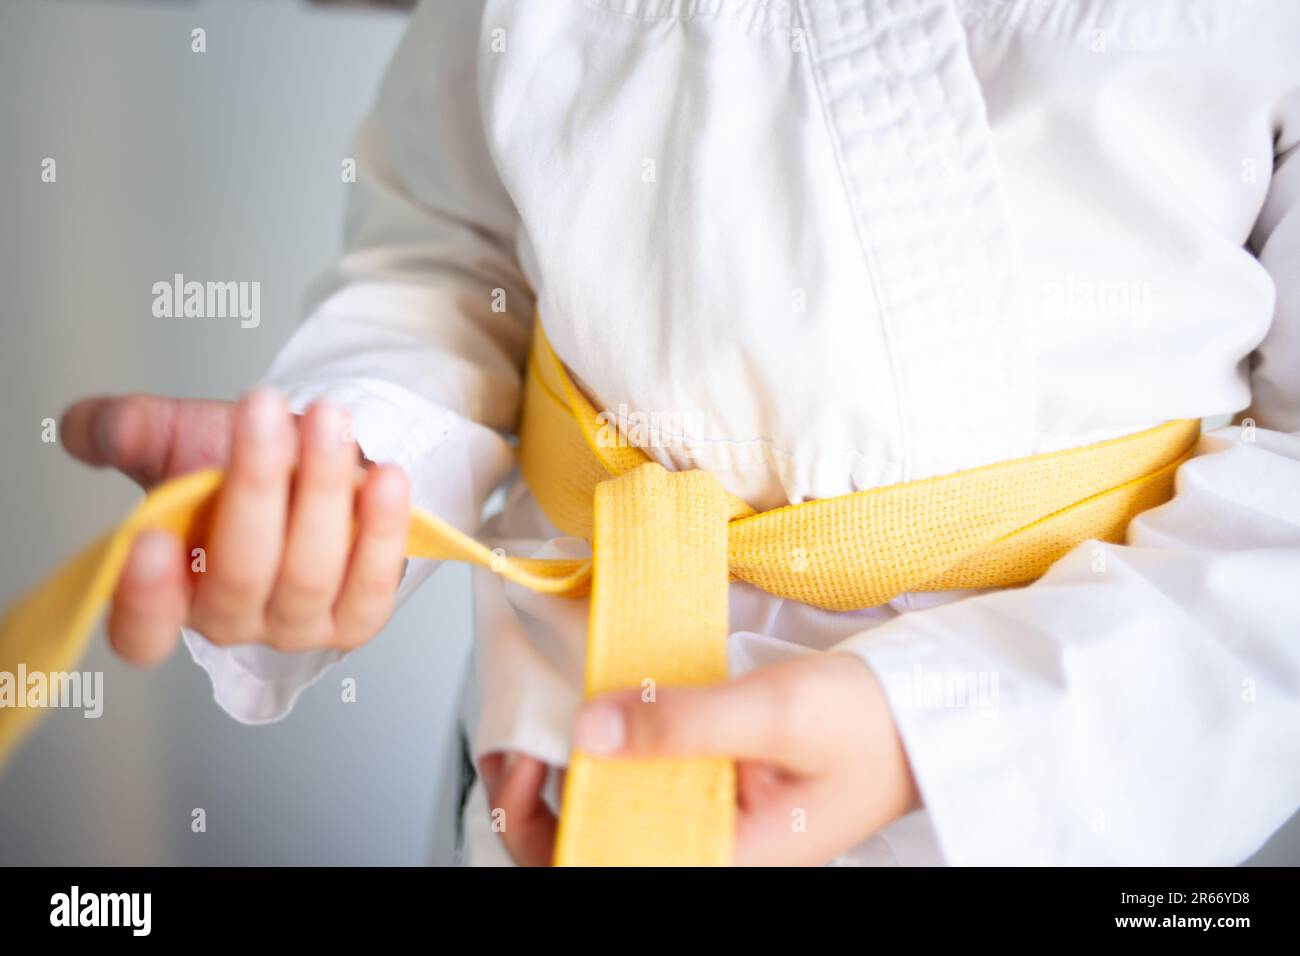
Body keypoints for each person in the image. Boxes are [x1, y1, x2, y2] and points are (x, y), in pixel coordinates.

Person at [58, 0, 1300, 865]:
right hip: (566, 752)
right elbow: (457, 259)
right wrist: (354, 476)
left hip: (1056, 785)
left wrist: (935, 734)